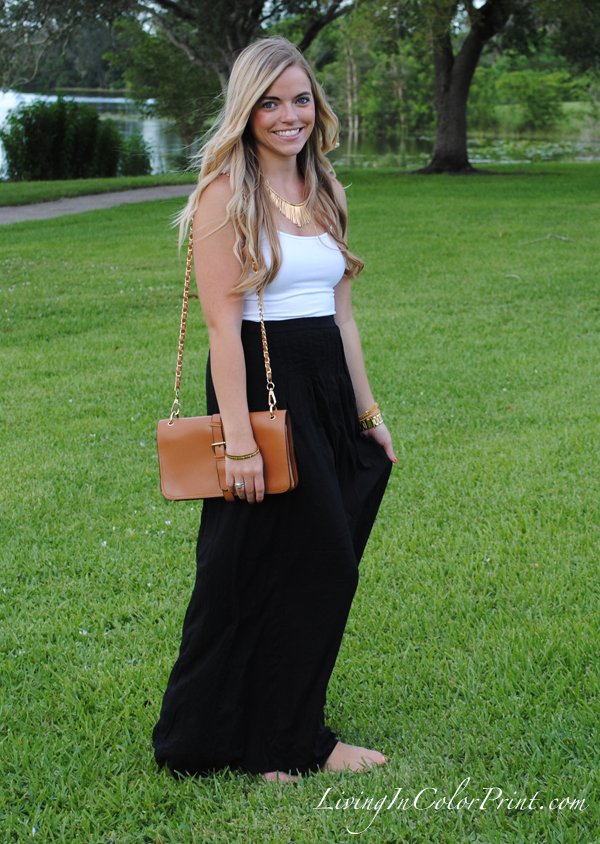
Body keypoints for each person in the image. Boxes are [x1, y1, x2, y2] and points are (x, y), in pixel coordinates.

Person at [152, 36, 396, 783]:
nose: (288, 115)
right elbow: (225, 328)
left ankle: (281, 728)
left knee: (318, 561)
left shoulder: (327, 188)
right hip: (261, 394)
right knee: (261, 565)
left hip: (326, 386)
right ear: (246, 110)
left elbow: (343, 317)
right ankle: (273, 741)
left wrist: (368, 414)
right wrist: (238, 443)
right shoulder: (225, 195)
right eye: (269, 102)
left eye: (299, 99)